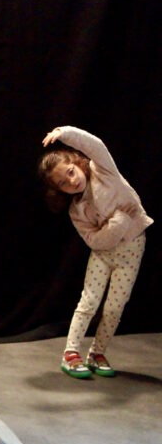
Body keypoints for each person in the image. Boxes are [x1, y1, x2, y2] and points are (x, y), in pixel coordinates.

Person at [38, 126, 152, 378]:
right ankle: (71, 354)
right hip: (102, 254)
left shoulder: (103, 171)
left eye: (70, 172)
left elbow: (96, 145)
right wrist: (118, 224)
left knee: (114, 307)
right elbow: (95, 242)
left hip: (131, 249)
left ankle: (97, 353)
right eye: (63, 183)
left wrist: (65, 132)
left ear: (77, 163)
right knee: (88, 302)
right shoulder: (76, 210)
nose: (71, 181)